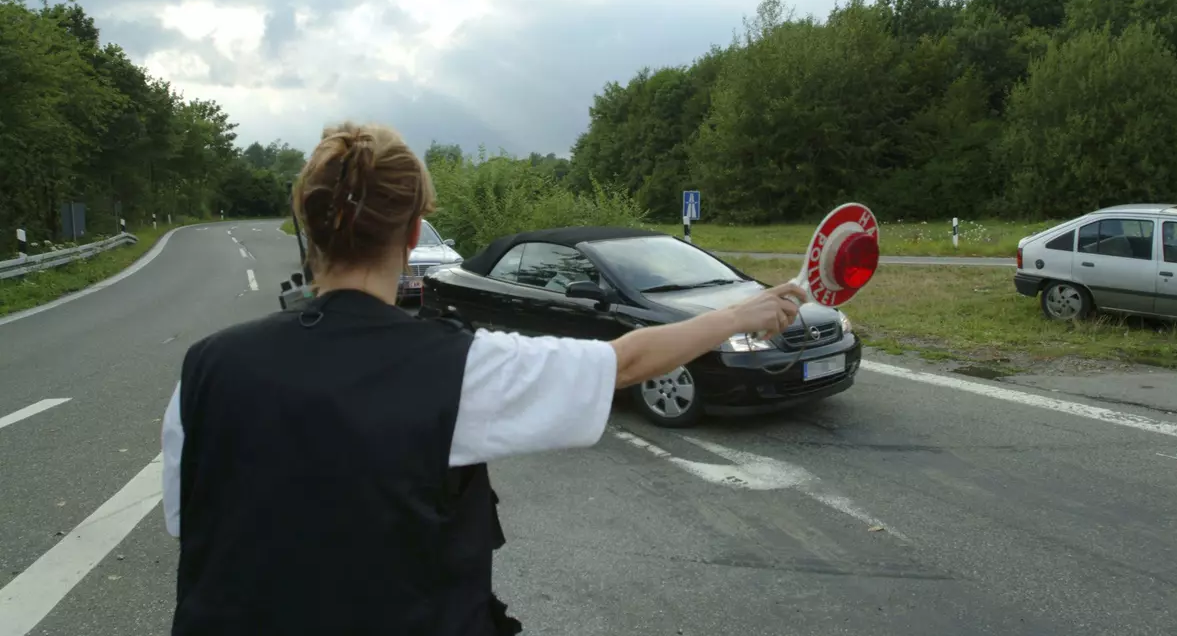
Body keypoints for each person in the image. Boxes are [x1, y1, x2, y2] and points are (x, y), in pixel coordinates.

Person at [159, 121, 806, 636]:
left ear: (308, 226)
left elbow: (190, 523)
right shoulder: (459, 367)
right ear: (414, 231)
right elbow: (627, 361)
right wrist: (740, 314)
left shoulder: (205, 369)